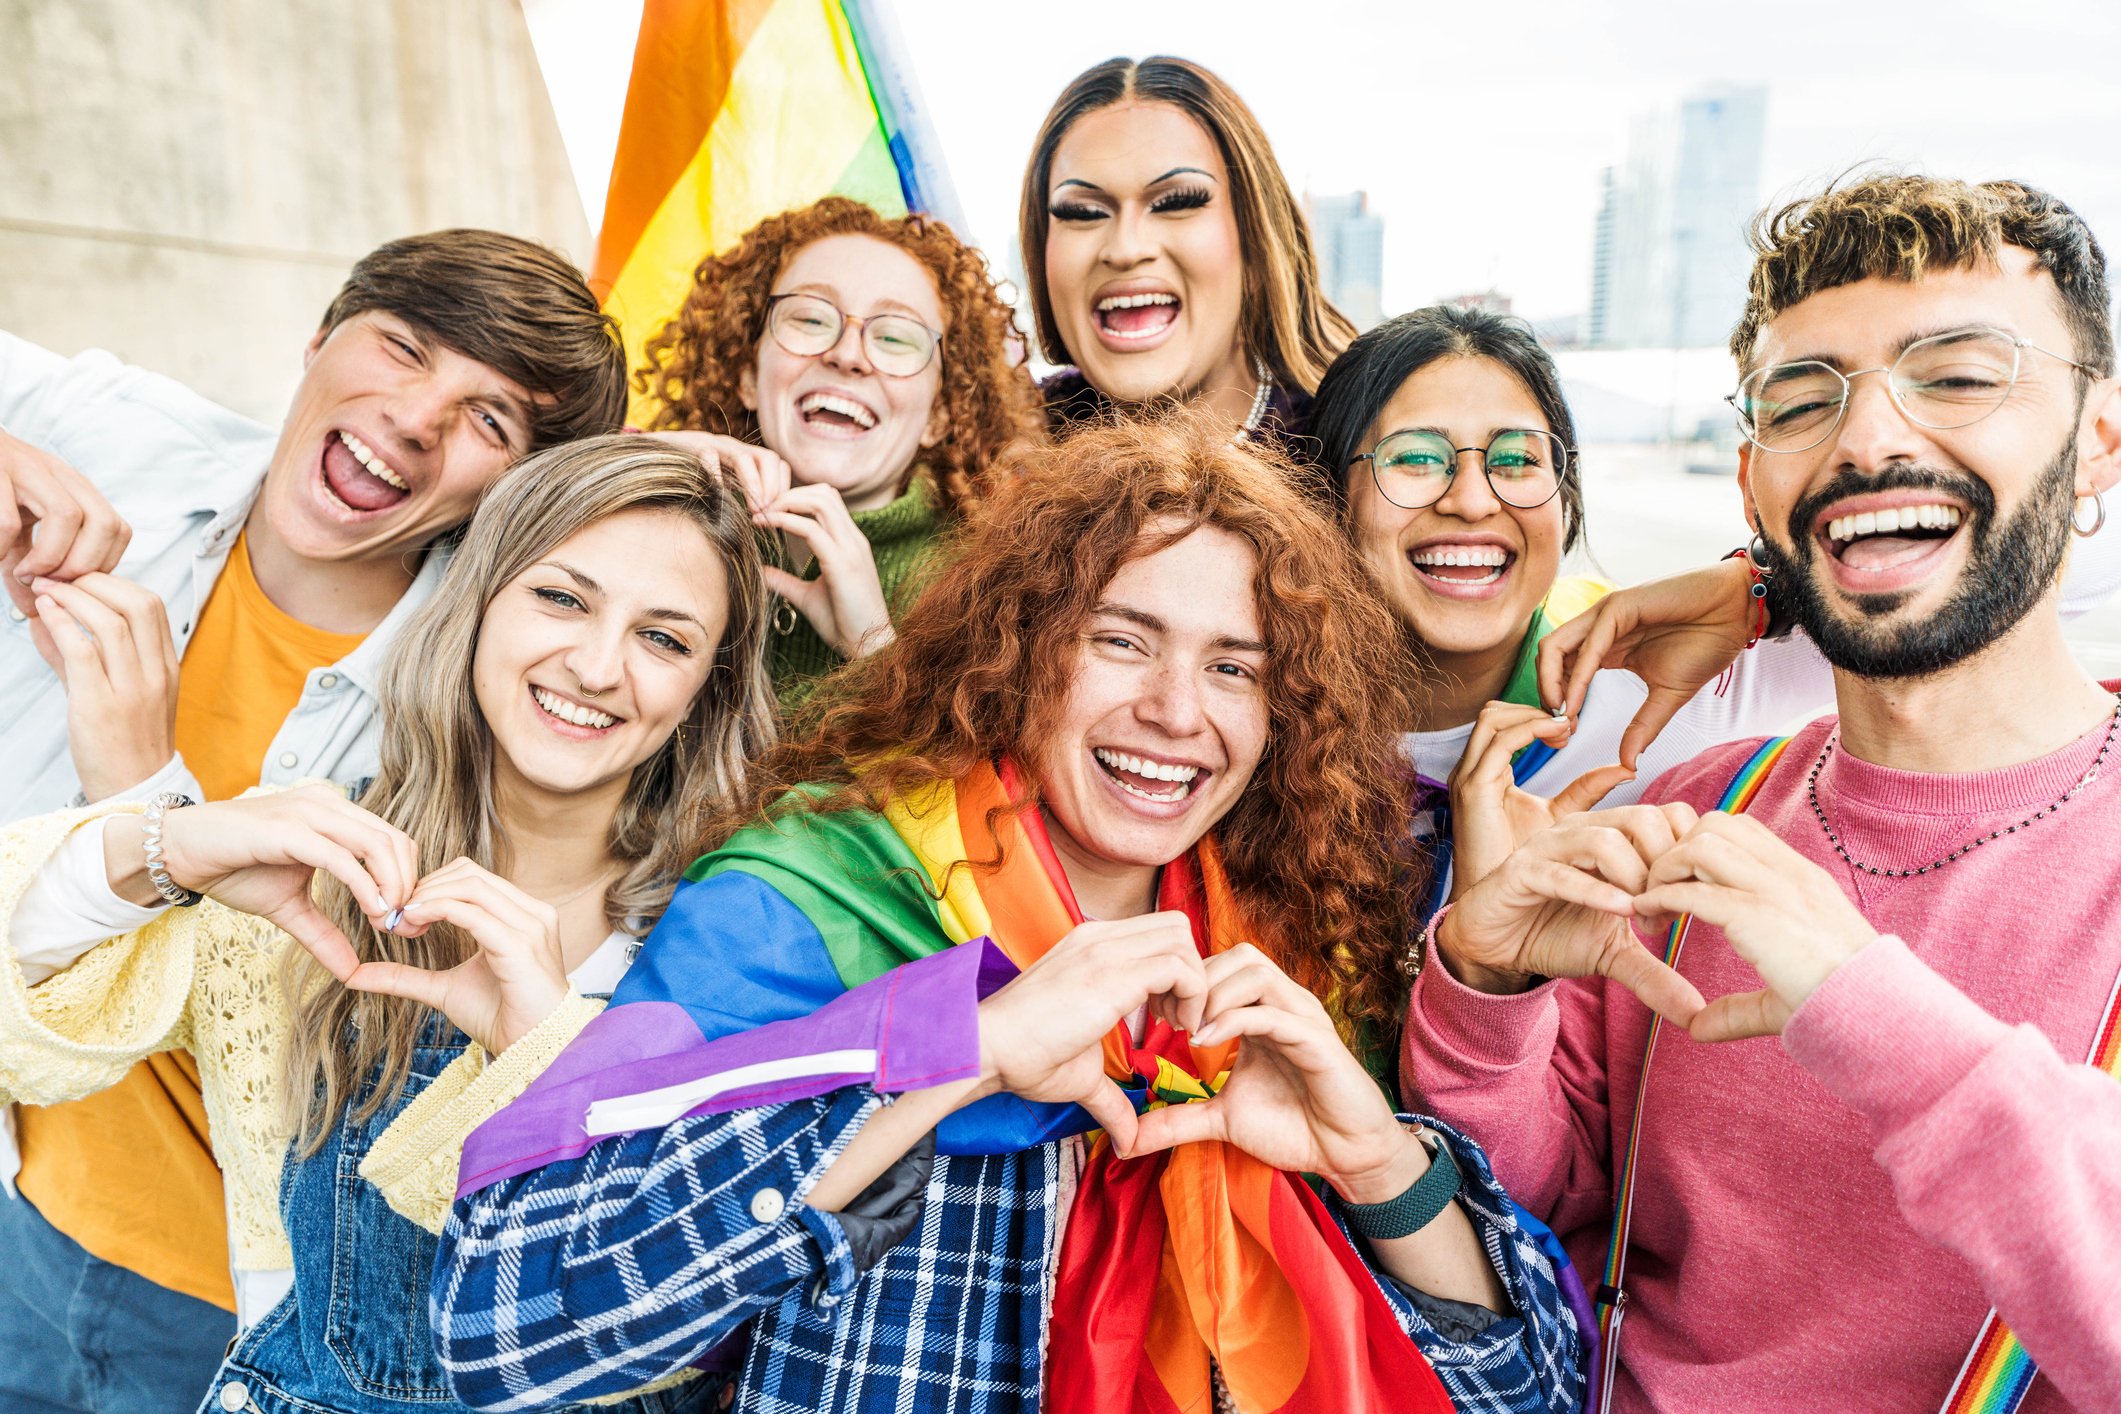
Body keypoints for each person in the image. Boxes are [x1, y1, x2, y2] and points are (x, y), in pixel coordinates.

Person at [426, 416, 1586, 1413]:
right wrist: (960, 1051)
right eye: (1121, 640)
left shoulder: (1278, 946)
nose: (1178, 710)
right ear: (1022, 648)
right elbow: (508, 1331)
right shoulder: (810, 894)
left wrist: (1379, 1164)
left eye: (1236, 668)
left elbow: (1526, 1385)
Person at [1404, 174, 2121, 1411]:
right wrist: (1484, 982)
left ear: (2099, 437)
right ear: (1753, 483)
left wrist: (1862, 1000)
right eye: (1805, 400)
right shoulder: (1699, 808)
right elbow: (1543, 1193)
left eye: (1956, 375)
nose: (1867, 438)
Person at [0, 436, 774, 1414]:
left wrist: (543, 1055)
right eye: (562, 598)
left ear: (706, 688)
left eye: (664, 638)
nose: (596, 663)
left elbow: (685, 1322)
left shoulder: (745, 931)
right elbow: (22, 1017)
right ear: (479, 601)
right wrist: (172, 844)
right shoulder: (323, 860)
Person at [0, 229, 625, 1409]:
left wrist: (139, 791)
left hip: (216, 1307)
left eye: (490, 420)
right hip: (20, 1199)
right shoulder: (124, 432)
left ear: (511, 498)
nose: (415, 418)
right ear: (321, 335)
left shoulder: (476, 708)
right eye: (402, 347)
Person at [1304, 302, 2121, 905]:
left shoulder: (1687, 688)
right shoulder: (1262, 732)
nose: (1473, 500)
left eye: (1519, 459)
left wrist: (1761, 587)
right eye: (1415, 459)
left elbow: (2054, 571)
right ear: (1323, 499)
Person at [633, 196, 1043, 713]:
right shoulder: (656, 518)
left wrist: (873, 649)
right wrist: (626, 474)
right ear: (746, 373)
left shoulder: (994, 592)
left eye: (895, 336)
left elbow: (967, 790)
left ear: (942, 412)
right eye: (809, 319)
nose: (847, 354)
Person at [1021, 56, 1352, 453]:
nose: (1126, 249)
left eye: (1176, 203)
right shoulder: (988, 452)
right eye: (1084, 212)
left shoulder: (1359, 452)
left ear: (1257, 243)